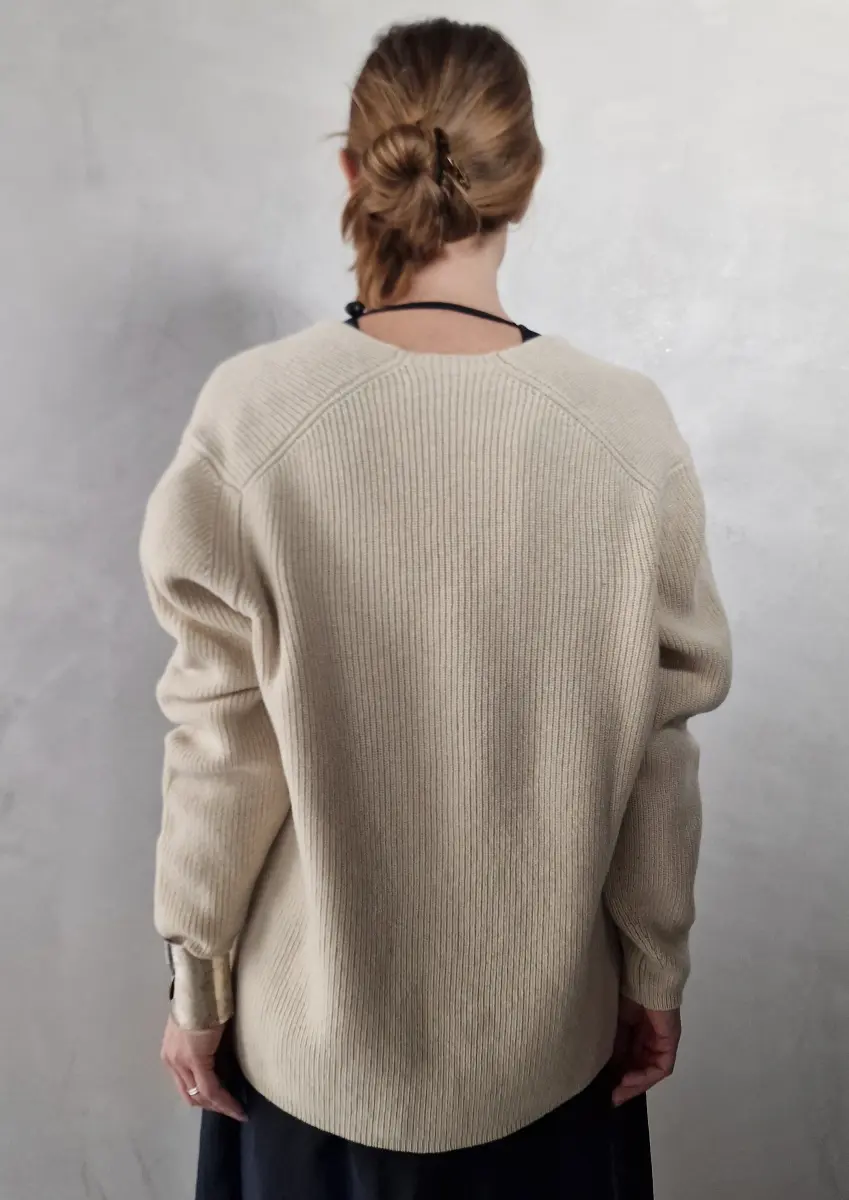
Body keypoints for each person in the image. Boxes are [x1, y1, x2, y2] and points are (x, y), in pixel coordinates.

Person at [140, 18, 732, 1200]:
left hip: (314, 1075)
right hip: (549, 1064)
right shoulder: (629, 435)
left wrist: (196, 989)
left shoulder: (254, 419)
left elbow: (221, 744)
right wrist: (653, 977)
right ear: (526, 177)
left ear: (353, 170)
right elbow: (659, 752)